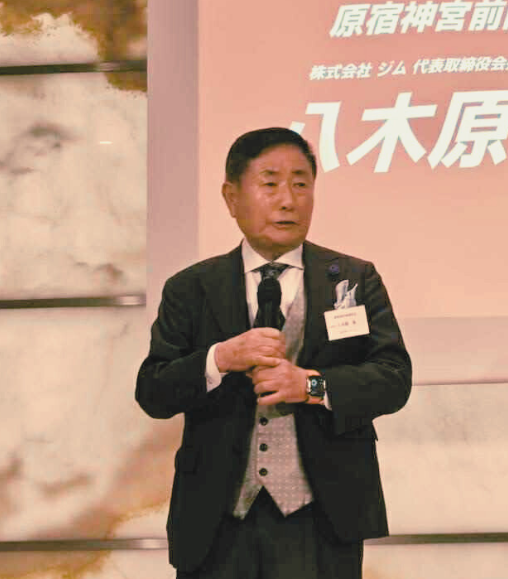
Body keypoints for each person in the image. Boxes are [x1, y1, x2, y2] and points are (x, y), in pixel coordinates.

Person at [136, 127, 411, 579]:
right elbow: (153, 390)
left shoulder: (353, 279)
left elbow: (393, 378)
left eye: (301, 184)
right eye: (270, 183)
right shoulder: (190, 287)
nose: (288, 200)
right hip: (217, 519)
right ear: (231, 197)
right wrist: (220, 359)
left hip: (322, 517)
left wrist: (311, 385)